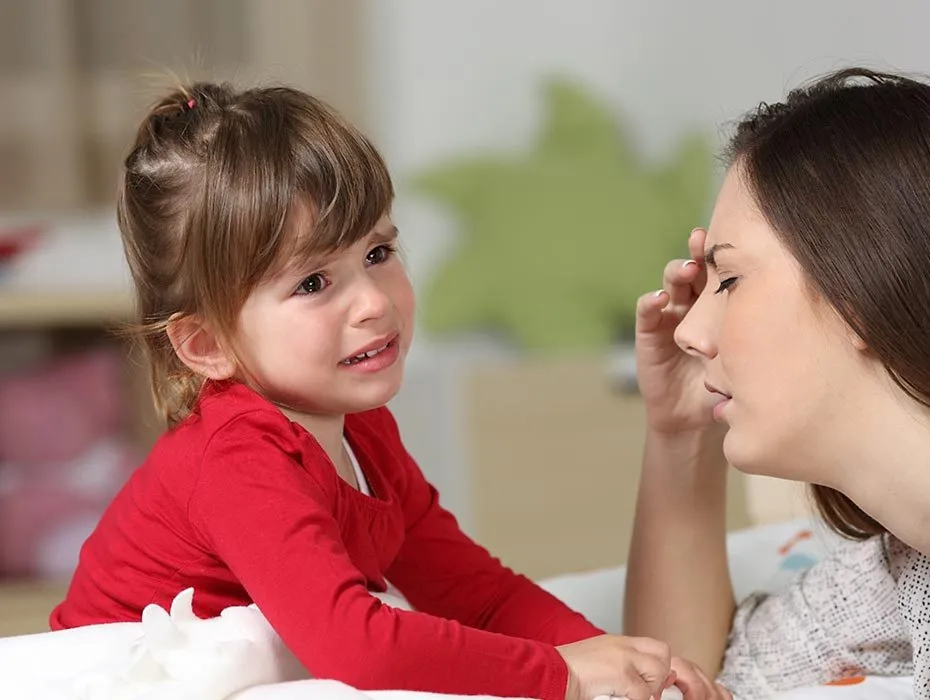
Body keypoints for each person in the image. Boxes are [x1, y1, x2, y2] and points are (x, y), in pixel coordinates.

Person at [50, 82, 728, 700]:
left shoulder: (362, 430)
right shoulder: (237, 457)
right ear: (207, 345)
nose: (374, 303)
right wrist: (561, 676)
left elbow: (474, 592)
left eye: (377, 254)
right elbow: (355, 645)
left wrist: (614, 659)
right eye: (314, 283)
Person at [624, 67, 930, 700]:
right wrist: (678, 430)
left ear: (864, 286)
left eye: (727, 280)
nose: (689, 331)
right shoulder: (916, 562)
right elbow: (689, 680)